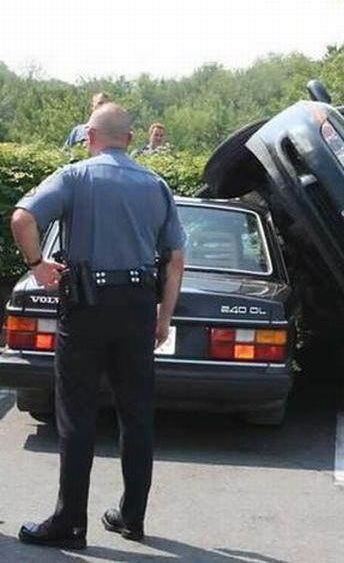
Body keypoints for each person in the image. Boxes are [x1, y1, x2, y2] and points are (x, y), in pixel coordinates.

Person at [11, 103, 185, 550]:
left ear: (89, 136)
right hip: (138, 306)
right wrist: (163, 317)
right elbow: (175, 259)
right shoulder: (157, 185)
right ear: (130, 139)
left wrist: (37, 264)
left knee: (77, 415)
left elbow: (22, 218)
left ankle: (70, 522)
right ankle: (132, 517)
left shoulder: (74, 177)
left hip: (87, 306)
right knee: (137, 414)